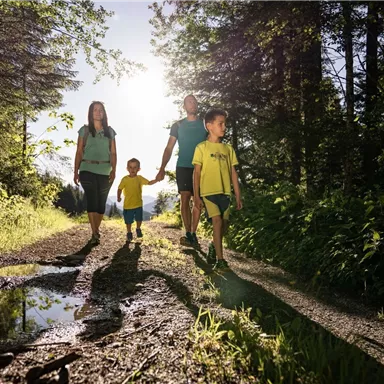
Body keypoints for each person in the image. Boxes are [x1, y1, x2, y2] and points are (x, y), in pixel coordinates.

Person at [192, 109, 242, 270]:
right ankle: (220, 260)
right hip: (208, 193)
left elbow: (233, 173)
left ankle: (214, 245)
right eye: (220, 123)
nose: (224, 127)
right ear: (209, 126)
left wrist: (238, 195)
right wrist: (197, 196)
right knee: (217, 221)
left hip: (225, 193)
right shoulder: (201, 148)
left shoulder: (228, 149)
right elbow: (197, 173)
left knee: (223, 226)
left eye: (225, 123)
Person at [156, 95, 207, 246]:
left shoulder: (204, 124)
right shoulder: (177, 125)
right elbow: (169, 147)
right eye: (189, 102)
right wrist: (162, 168)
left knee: (197, 199)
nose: (192, 104)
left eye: (194, 101)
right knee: (184, 197)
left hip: (201, 167)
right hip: (183, 165)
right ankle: (188, 233)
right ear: (184, 107)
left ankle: (193, 233)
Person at [74, 101, 117, 246]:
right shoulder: (84, 131)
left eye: (101, 110)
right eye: (95, 110)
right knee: (92, 200)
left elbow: (113, 153)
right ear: (90, 113)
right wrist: (76, 171)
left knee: (101, 205)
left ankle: (96, 230)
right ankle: (94, 233)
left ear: (104, 113)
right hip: (87, 168)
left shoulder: (110, 132)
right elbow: (79, 151)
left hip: (105, 171)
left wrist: (114, 170)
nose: (98, 112)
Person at [117, 158, 157, 242]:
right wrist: (118, 197)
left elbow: (149, 183)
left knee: (139, 219)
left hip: (138, 204)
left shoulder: (140, 178)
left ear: (138, 169)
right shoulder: (125, 179)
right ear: (127, 168)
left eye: (135, 167)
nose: (132, 169)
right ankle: (129, 232)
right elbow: (119, 188)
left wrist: (156, 180)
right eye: (130, 167)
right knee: (128, 221)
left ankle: (138, 228)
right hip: (128, 205)